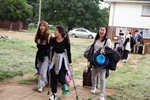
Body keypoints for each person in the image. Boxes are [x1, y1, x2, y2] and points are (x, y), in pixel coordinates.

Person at [49, 25, 72, 100]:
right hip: (55, 59)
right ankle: (54, 94)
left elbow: (68, 52)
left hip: (63, 60)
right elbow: (51, 49)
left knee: (61, 77)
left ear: (60, 32)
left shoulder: (66, 41)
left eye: (56, 31)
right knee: (53, 76)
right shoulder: (53, 40)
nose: (54, 32)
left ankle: (64, 85)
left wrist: (70, 62)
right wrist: (50, 59)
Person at [91, 25, 111, 100]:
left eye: (103, 30)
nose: (101, 31)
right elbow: (92, 48)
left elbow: (110, 51)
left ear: (105, 32)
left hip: (102, 61)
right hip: (94, 60)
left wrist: (105, 52)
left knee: (102, 78)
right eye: (100, 30)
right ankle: (93, 86)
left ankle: (101, 94)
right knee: (94, 75)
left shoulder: (107, 41)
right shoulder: (95, 39)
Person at [34, 21, 52, 92]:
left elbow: (51, 47)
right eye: (41, 26)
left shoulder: (48, 36)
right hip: (39, 55)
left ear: (46, 27)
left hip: (46, 56)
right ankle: (45, 82)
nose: (42, 27)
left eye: (44, 26)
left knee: (43, 71)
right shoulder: (38, 35)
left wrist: (51, 58)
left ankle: (40, 86)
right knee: (40, 70)